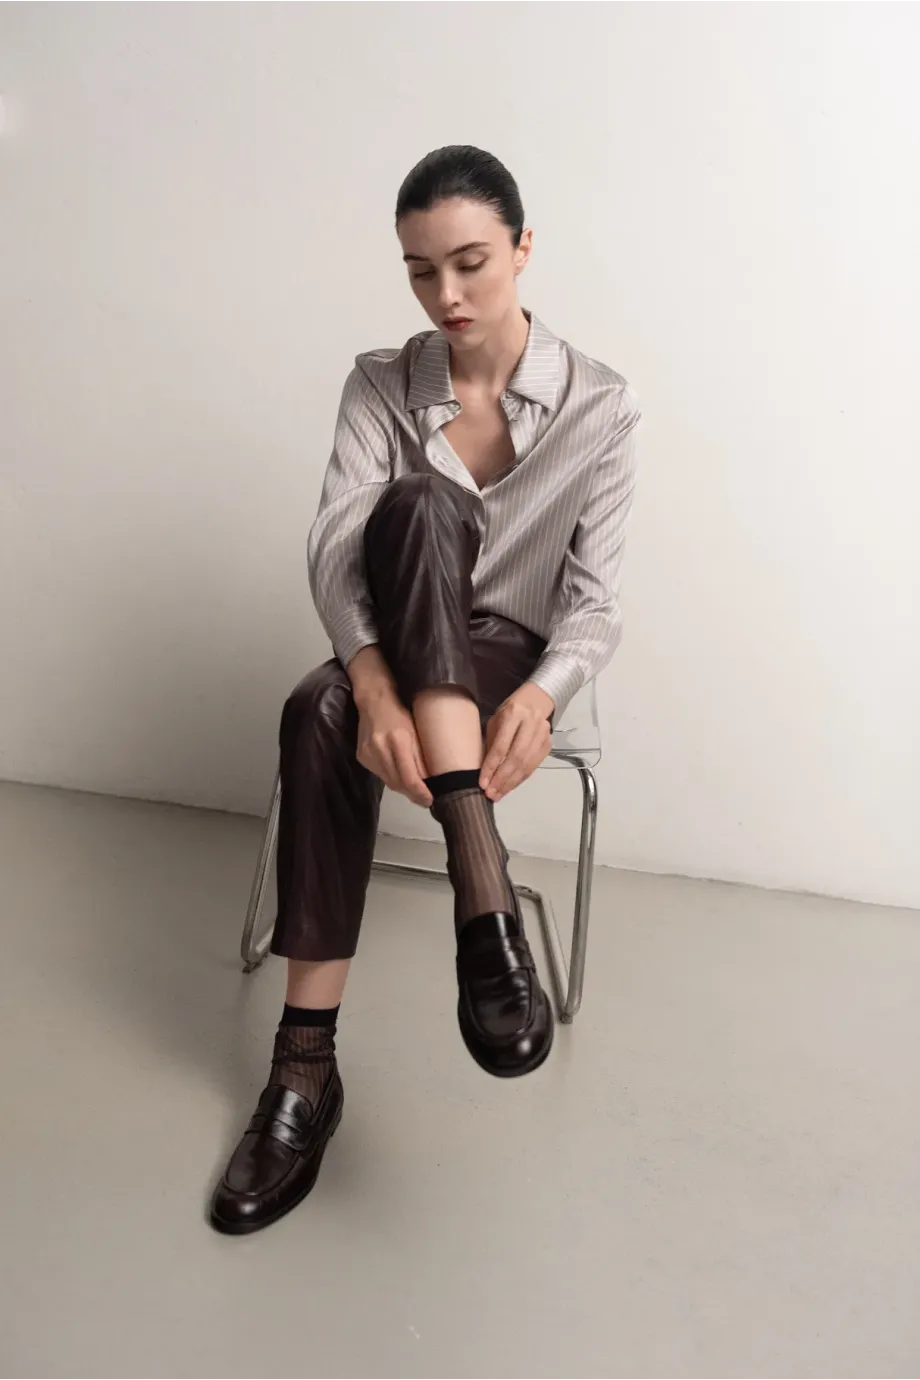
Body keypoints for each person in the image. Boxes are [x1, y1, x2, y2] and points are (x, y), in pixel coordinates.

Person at [209, 146, 640, 1234]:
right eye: (418, 271)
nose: (444, 294)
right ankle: (446, 907)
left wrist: (543, 696)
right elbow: (333, 549)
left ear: (522, 249)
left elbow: (594, 603)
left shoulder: (601, 406)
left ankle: (306, 1065)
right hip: (397, 646)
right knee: (399, 533)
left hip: (505, 657)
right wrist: (370, 681)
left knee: (335, 670)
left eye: (470, 263)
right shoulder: (379, 383)